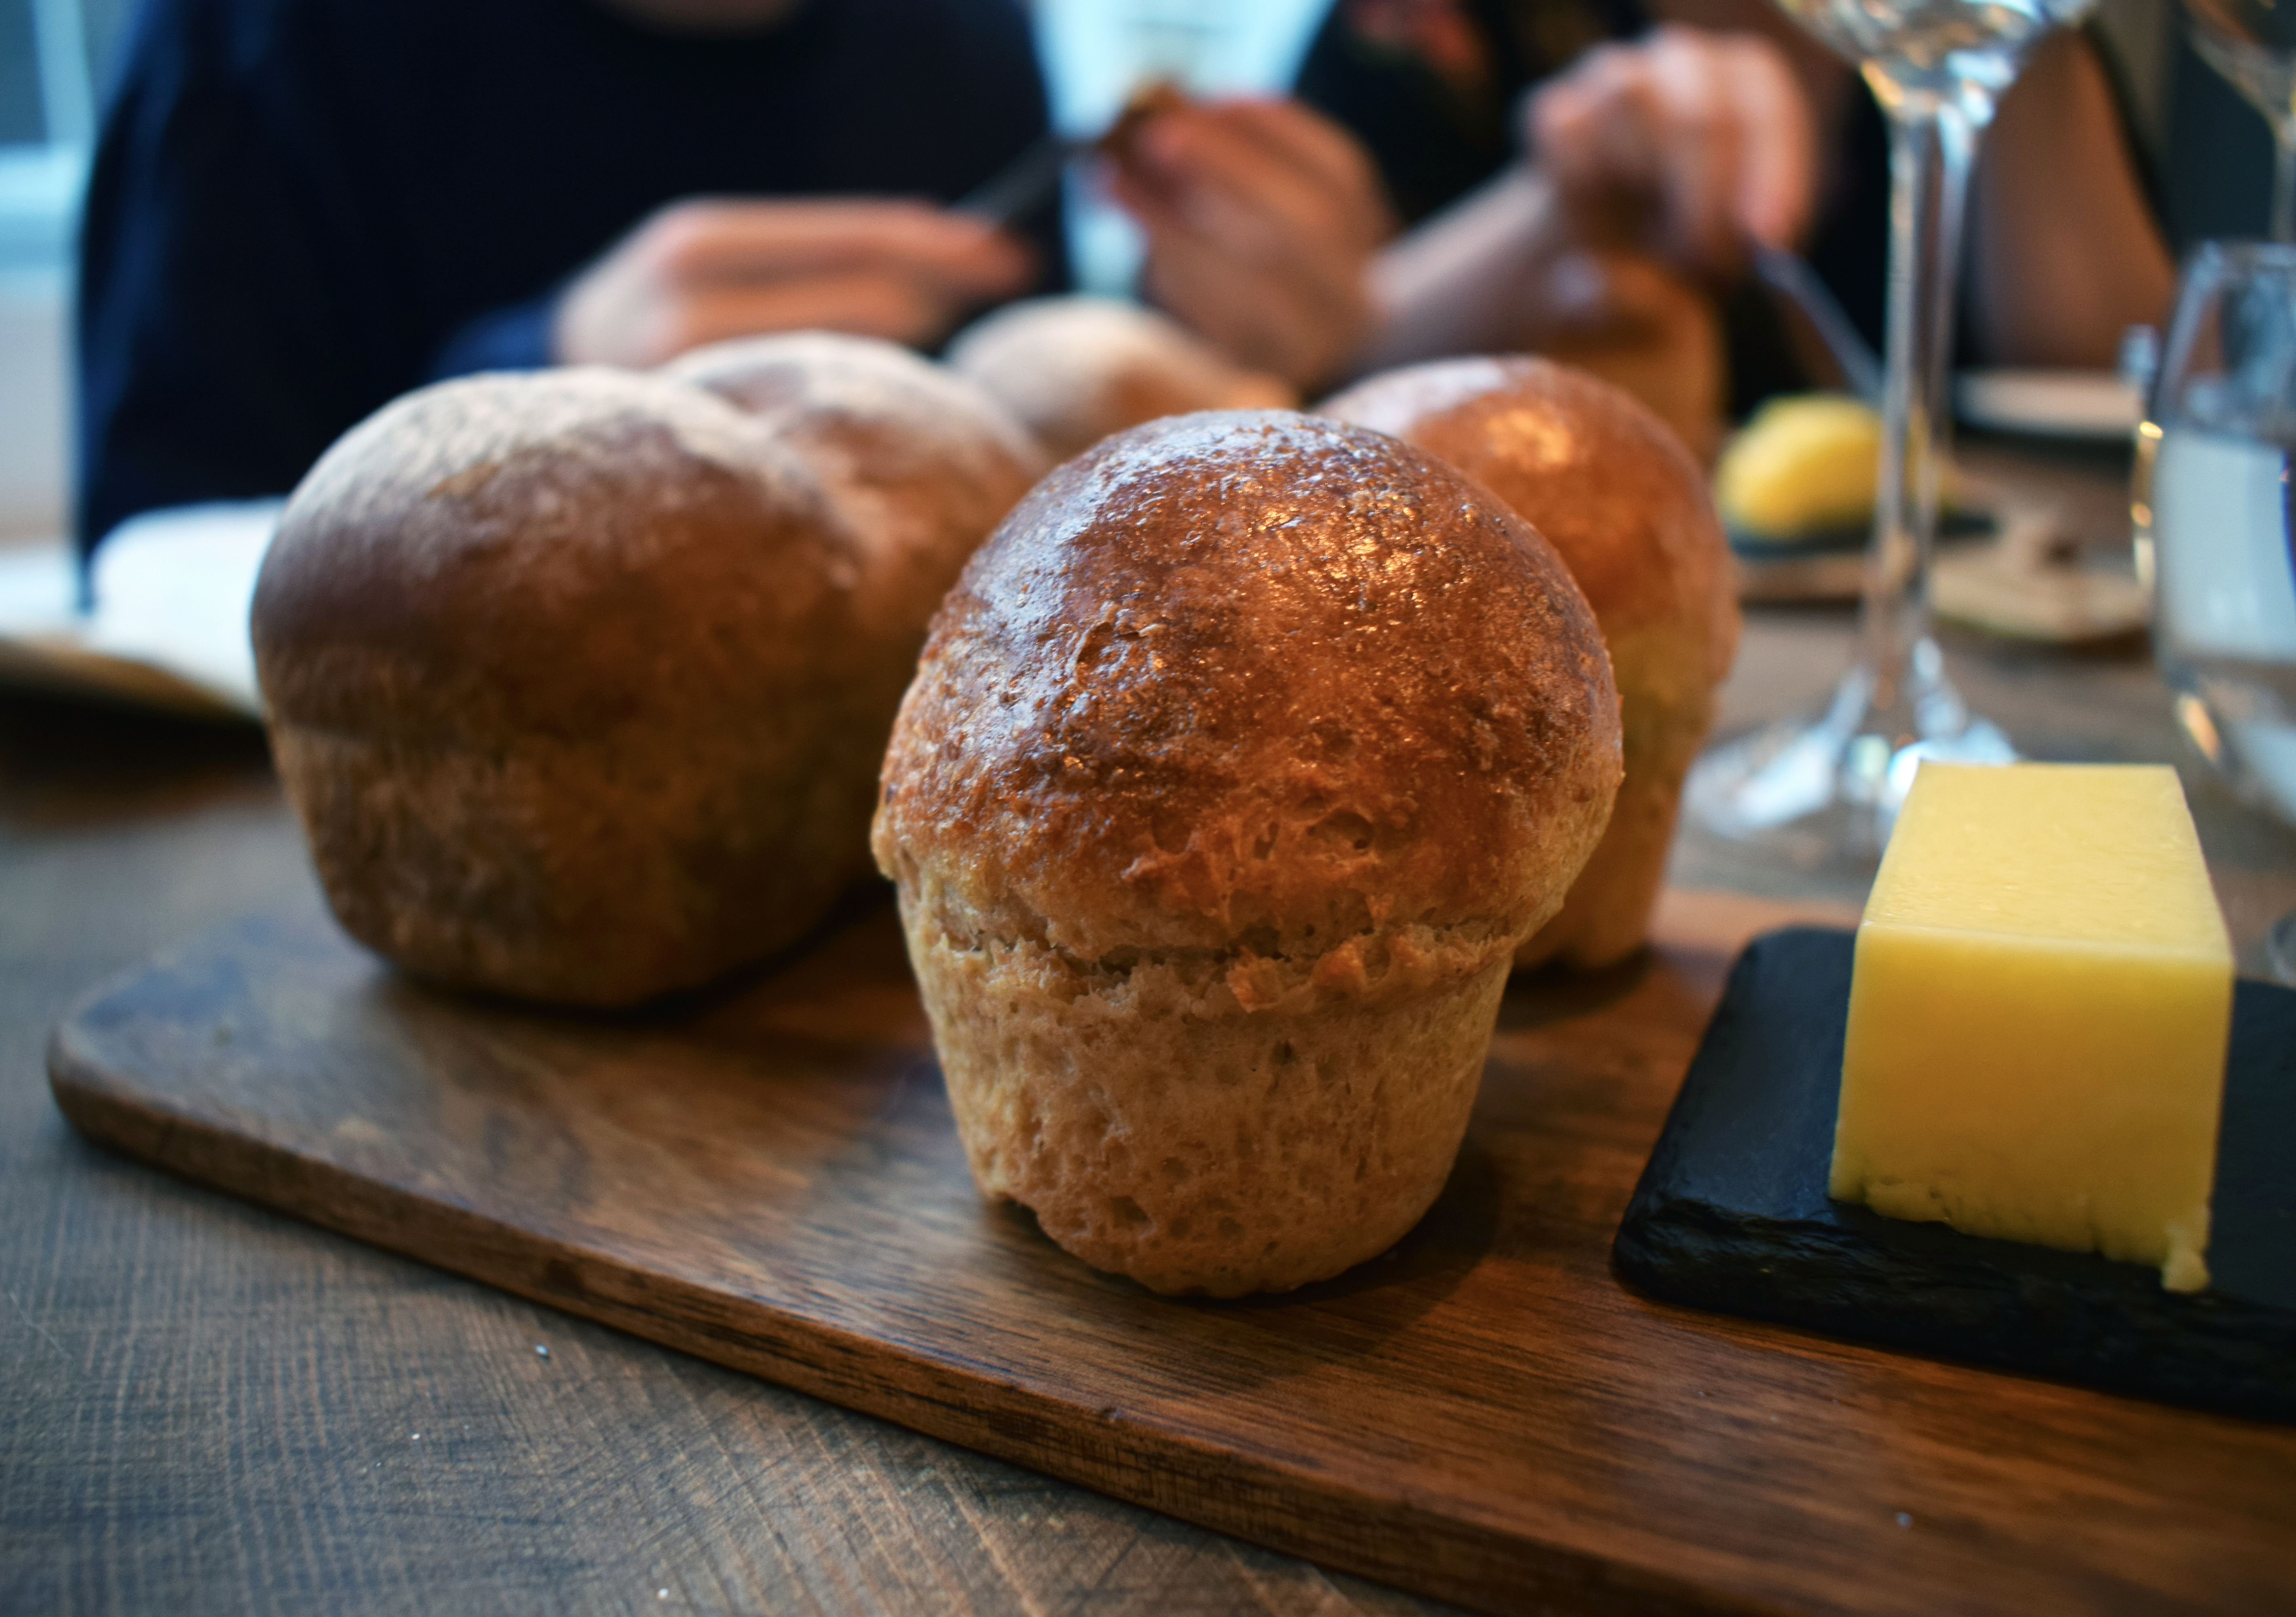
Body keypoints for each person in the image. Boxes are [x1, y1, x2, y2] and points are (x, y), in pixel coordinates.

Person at [76, 0, 1051, 554]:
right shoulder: (247, 49)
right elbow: (153, 562)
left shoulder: (970, 37)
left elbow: (1031, 491)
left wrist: (1189, 333)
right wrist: (536, 383)